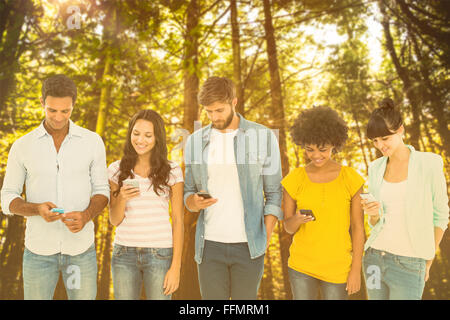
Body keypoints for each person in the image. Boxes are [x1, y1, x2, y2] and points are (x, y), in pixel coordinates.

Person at [0, 74, 109, 300]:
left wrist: (87, 214)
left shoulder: (92, 142)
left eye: (65, 111)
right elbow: (7, 197)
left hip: (80, 252)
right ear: (42, 103)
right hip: (39, 253)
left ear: (73, 105)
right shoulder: (22, 146)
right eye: (52, 110)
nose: (58, 117)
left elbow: (102, 190)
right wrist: (36, 209)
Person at [183, 76, 283, 300]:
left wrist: (264, 236)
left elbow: (275, 193)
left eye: (219, 110)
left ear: (234, 102)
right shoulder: (195, 141)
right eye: (209, 112)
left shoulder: (264, 137)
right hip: (209, 246)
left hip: (249, 247)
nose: (214, 117)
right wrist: (193, 202)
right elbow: (188, 192)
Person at [362, 98, 449, 300]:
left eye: (385, 138)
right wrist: (373, 214)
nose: (380, 146)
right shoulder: (375, 168)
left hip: (410, 264)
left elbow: (441, 216)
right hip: (374, 260)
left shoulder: (430, 163)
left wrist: (426, 261)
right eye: (375, 141)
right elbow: (375, 222)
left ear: (400, 130)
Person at [281, 106, 365, 300]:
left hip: (338, 267)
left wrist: (356, 270)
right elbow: (288, 227)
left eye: (323, 149)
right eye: (309, 149)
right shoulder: (295, 179)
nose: (316, 155)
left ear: (334, 143)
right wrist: (297, 219)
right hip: (301, 265)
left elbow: (358, 228)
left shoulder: (350, 178)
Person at [108, 109, 184, 300]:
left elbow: (178, 220)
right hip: (124, 253)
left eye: (148, 135)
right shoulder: (116, 170)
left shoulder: (172, 170)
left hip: (160, 254)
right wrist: (122, 197)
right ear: (130, 134)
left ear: (157, 138)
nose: (140, 140)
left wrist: (175, 267)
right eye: (136, 133)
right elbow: (114, 220)